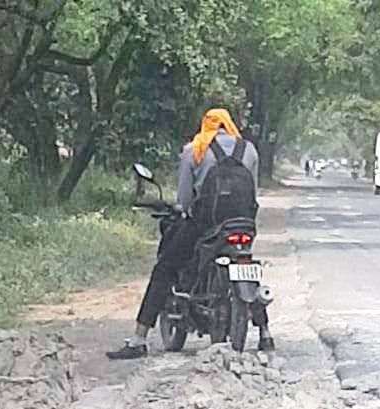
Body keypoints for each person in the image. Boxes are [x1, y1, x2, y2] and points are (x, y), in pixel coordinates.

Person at [107, 108, 271, 360]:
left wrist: (184, 208)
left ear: (206, 125)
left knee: (165, 268)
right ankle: (265, 334)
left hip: (206, 227)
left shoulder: (194, 149)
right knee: (248, 264)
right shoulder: (248, 149)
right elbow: (253, 193)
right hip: (243, 225)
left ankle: (139, 338)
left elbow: (184, 200)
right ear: (229, 125)